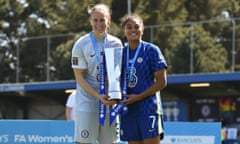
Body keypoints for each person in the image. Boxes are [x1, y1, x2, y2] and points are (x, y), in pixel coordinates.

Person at [71, 3, 122, 144]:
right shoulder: (81, 44)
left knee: (111, 142)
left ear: (109, 21)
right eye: (95, 20)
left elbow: (116, 75)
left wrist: (115, 97)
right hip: (87, 102)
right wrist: (98, 96)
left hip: (109, 103)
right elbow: (79, 77)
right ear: (90, 21)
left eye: (102, 20)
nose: (99, 24)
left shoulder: (116, 44)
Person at [119, 13, 168, 144]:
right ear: (124, 31)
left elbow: (162, 82)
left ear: (142, 29)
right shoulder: (120, 53)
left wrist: (139, 96)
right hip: (128, 109)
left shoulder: (152, 50)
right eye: (129, 27)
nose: (133, 30)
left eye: (136, 26)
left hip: (148, 108)